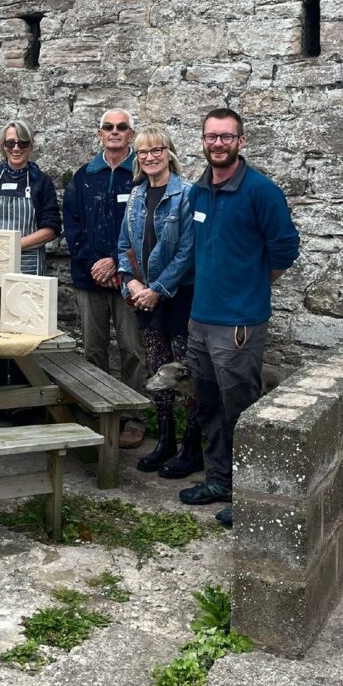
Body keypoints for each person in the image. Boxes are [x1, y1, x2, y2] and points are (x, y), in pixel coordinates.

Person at [180, 107, 300, 528]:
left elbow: (285, 248)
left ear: (240, 141)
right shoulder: (198, 191)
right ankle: (218, 481)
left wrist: (254, 284)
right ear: (203, 140)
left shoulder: (260, 191)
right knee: (208, 407)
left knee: (240, 411)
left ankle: (248, 496)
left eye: (226, 137)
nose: (218, 144)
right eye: (211, 136)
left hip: (239, 325)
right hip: (201, 320)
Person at [117, 127, 201, 476]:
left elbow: (187, 252)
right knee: (157, 371)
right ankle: (165, 440)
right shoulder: (136, 196)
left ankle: (191, 447)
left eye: (156, 150)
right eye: (142, 152)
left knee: (184, 374)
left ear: (169, 152)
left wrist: (158, 289)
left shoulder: (187, 194)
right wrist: (133, 284)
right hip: (145, 300)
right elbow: (124, 244)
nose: (149, 157)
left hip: (178, 298)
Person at [63, 109, 146, 448]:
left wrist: (115, 262)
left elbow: (142, 229)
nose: (114, 132)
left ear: (131, 134)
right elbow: (73, 227)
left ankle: (133, 418)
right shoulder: (84, 176)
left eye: (121, 127)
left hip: (128, 278)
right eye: (108, 127)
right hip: (89, 278)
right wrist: (96, 264)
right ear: (99, 134)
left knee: (132, 350)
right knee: (94, 349)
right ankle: (98, 413)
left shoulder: (141, 175)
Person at [0, 120, 61, 398]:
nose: (16, 148)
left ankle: (23, 402)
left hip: (27, 268)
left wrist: (13, 246)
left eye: (22, 142)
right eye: (10, 143)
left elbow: (52, 227)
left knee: (22, 336)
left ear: (31, 146)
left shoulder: (41, 182)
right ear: (2, 146)